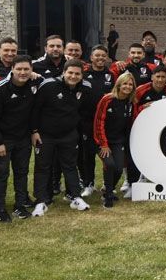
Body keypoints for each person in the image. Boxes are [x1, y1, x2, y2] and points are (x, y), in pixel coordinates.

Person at [31, 60, 92, 215]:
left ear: (82, 75)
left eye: (77, 74)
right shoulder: (49, 85)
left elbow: (85, 111)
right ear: (63, 72)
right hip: (45, 135)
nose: (73, 76)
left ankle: (76, 197)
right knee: (43, 167)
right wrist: (34, 131)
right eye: (70, 72)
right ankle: (41, 201)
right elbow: (35, 109)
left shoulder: (85, 88)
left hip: (68, 135)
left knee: (70, 166)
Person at [0, 58, 37, 221]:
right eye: (19, 69)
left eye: (26, 69)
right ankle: (0, 207)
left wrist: (34, 131)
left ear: (31, 70)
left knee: (22, 172)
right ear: (12, 69)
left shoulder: (33, 85)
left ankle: (20, 205)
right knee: (1, 173)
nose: (23, 72)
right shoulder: (1, 87)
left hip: (23, 139)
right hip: (4, 139)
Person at [93, 73, 139, 206]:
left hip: (118, 141)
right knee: (110, 164)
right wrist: (103, 144)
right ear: (118, 85)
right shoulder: (107, 99)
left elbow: (134, 117)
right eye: (125, 83)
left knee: (119, 168)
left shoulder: (131, 102)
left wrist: (144, 107)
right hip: (102, 141)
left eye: (130, 84)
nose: (127, 86)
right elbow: (99, 122)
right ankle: (108, 196)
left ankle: (108, 189)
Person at [79, 45, 116, 195]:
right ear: (91, 57)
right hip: (87, 121)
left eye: (103, 56)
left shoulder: (111, 75)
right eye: (97, 55)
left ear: (107, 58)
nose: (100, 58)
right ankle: (89, 183)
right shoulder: (83, 74)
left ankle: (108, 184)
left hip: (105, 121)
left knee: (107, 154)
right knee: (88, 155)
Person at [135, 67, 166, 162]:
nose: (160, 80)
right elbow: (132, 109)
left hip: (163, 128)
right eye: (158, 76)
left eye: (163, 77)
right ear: (152, 77)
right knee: (145, 154)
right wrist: (141, 108)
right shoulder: (140, 90)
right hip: (144, 128)